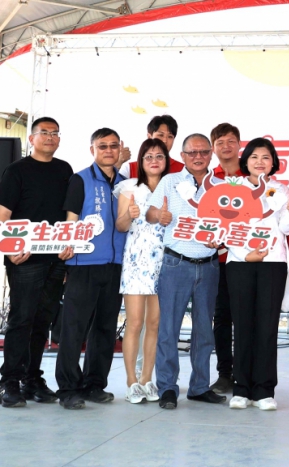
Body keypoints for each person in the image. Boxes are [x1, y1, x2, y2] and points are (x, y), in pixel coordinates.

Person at [146, 133, 225, 409]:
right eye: (192, 152)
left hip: (210, 264)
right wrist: (160, 216)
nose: (198, 156)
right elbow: (149, 214)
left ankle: (200, 386)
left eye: (203, 151)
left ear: (211, 154)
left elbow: (232, 224)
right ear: (182, 156)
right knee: (168, 327)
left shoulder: (222, 186)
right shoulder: (170, 181)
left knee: (205, 330)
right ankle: (168, 387)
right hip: (176, 263)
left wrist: (222, 238)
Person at [0, 117, 74, 408]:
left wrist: (70, 248)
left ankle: (32, 379)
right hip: (25, 257)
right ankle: (9, 382)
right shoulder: (15, 171)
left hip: (57, 258)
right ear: (31, 139)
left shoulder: (65, 169)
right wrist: (8, 250)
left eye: (55, 133)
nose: (50, 137)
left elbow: (70, 213)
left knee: (44, 319)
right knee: (21, 319)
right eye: (44, 132)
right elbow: (3, 214)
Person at [56, 128, 127, 410]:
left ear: (120, 149)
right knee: (74, 329)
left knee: (105, 328)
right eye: (102, 146)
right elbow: (71, 219)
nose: (108, 150)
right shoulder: (80, 179)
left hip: (115, 265)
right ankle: (68, 389)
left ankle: (94, 384)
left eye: (113, 146)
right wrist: (66, 249)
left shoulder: (125, 184)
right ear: (92, 150)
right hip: (83, 264)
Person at [226, 138, 289, 410]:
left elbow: (287, 229)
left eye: (265, 157)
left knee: (267, 327)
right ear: (246, 161)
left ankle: (265, 391)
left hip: (272, 263)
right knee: (242, 326)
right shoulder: (233, 189)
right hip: (240, 262)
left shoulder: (281, 190)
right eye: (254, 156)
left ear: (273, 163)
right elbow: (225, 225)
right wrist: (245, 253)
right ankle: (241, 389)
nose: (259, 162)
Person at [113, 139, 170, 404]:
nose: (154, 160)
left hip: (166, 261)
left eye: (159, 155)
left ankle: (147, 379)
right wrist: (130, 214)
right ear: (141, 161)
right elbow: (121, 225)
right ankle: (130, 381)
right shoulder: (128, 187)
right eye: (148, 156)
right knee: (135, 323)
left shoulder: (174, 186)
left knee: (155, 324)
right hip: (137, 260)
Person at [209, 123, 247, 394]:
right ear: (213, 148)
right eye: (220, 141)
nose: (225, 146)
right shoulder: (209, 179)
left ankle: (247, 373)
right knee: (222, 318)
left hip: (248, 259)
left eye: (230, 141)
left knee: (247, 318)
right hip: (219, 261)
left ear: (239, 144)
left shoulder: (254, 176)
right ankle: (225, 373)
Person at [117, 115, 184, 177]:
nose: (165, 140)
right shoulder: (130, 168)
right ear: (149, 137)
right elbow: (111, 187)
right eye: (160, 135)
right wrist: (118, 163)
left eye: (170, 136)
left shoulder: (183, 170)